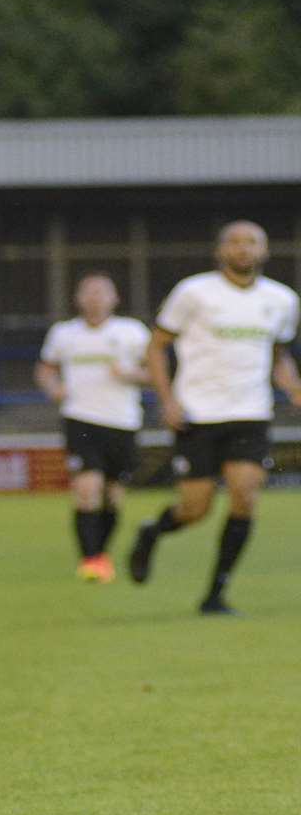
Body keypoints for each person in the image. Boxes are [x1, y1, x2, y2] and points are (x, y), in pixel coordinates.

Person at [128, 221, 300, 614]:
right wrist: (167, 399)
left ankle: (215, 594)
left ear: (265, 251)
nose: (244, 249)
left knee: (245, 494)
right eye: (235, 242)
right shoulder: (193, 292)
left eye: (252, 242)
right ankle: (153, 531)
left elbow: (279, 353)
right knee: (195, 509)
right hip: (198, 414)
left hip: (251, 413)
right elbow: (156, 347)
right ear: (220, 251)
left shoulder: (282, 300)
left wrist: (292, 386)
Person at [36, 273, 150, 583]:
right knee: (87, 491)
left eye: (102, 292)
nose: (95, 297)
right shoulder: (64, 334)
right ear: (78, 298)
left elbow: (155, 372)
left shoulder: (132, 332)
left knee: (112, 496)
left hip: (122, 421)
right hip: (80, 419)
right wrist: (53, 387)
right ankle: (90, 560)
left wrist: (132, 374)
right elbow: (46, 369)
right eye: (89, 292)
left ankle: (101, 553)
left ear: (115, 298)